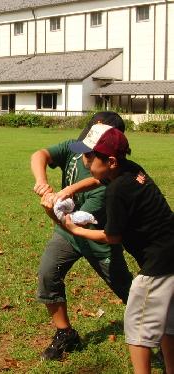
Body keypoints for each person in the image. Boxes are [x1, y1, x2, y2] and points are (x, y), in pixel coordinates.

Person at [57, 125, 173, 374]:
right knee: (167, 323)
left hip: (159, 264)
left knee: (138, 327)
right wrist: (69, 190)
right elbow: (98, 179)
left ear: (110, 161)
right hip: (170, 253)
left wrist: (74, 229)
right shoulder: (131, 169)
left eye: (89, 156)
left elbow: (112, 236)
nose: (84, 160)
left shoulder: (118, 191)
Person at [30, 111, 133, 360]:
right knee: (48, 274)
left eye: (90, 152)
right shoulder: (74, 147)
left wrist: (53, 208)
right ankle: (65, 333)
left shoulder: (111, 181)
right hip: (68, 232)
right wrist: (42, 182)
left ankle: (162, 333)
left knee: (128, 292)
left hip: (97, 235)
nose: (83, 155)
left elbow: (74, 223)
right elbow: (39, 154)